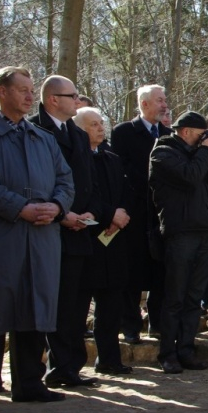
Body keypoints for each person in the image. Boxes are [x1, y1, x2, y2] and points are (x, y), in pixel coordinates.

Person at [0, 66, 74, 413]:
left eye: (30, 89)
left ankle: (29, 384)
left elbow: (65, 180)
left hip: (41, 235)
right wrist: (21, 208)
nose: (28, 95)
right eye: (21, 89)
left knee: (34, 307)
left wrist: (55, 206)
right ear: (2, 92)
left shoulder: (43, 138)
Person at [29, 75, 101, 389]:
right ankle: (47, 368)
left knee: (75, 303)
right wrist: (63, 213)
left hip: (80, 230)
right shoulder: (33, 129)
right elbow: (38, 180)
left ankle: (69, 366)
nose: (77, 99)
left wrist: (87, 213)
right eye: (71, 95)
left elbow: (86, 179)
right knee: (51, 303)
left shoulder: (78, 135)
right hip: (48, 228)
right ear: (53, 99)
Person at [149, 111, 208, 373]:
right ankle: (167, 353)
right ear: (185, 132)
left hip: (206, 230)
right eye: (200, 135)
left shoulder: (201, 155)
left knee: (194, 296)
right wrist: (206, 152)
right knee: (175, 295)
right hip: (181, 232)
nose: (205, 139)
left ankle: (186, 349)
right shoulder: (163, 152)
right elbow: (189, 177)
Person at [74, 107, 134, 375]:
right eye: (93, 124)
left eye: (101, 123)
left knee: (111, 305)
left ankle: (109, 359)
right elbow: (83, 197)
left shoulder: (112, 158)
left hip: (114, 238)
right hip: (85, 239)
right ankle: (70, 365)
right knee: (77, 308)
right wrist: (110, 214)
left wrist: (120, 216)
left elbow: (125, 192)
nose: (100, 128)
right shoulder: (76, 159)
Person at [110, 84, 171, 343]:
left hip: (161, 213)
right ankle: (130, 325)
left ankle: (156, 323)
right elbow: (119, 170)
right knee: (132, 272)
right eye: (159, 100)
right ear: (144, 104)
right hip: (134, 213)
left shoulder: (169, 134)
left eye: (165, 99)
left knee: (160, 270)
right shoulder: (123, 132)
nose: (164, 104)